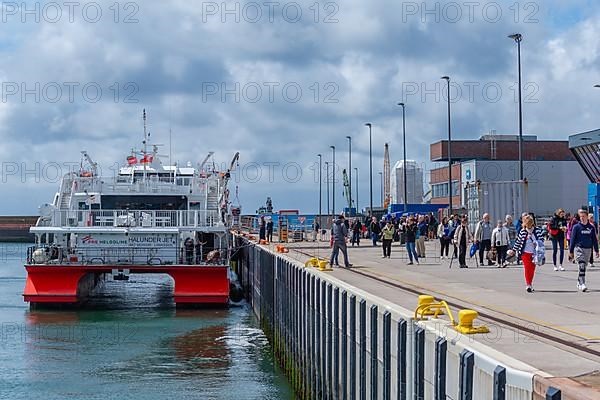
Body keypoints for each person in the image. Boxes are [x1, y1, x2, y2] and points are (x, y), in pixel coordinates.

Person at [509, 214, 544, 293]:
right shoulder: (522, 231)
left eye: (530, 224)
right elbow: (518, 242)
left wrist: (536, 242)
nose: (528, 226)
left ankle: (530, 283)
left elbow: (541, 240)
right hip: (525, 253)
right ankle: (528, 284)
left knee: (532, 269)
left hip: (535, 253)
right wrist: (514, 250)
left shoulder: (537, 230)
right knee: (527, 268)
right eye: (527, 224)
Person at [569, 209, 599, 292]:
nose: (582, 218)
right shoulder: (576, 227)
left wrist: (596, 250)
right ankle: (582, 283)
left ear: (587, 217)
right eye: (580, 217)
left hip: (588, 249)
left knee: (583, 267)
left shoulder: (591, 227)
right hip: (579, 248)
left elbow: (594, 240)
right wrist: (571, 251)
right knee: (581, 265)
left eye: (583, 216)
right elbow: (572, 239)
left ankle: (579, 281)